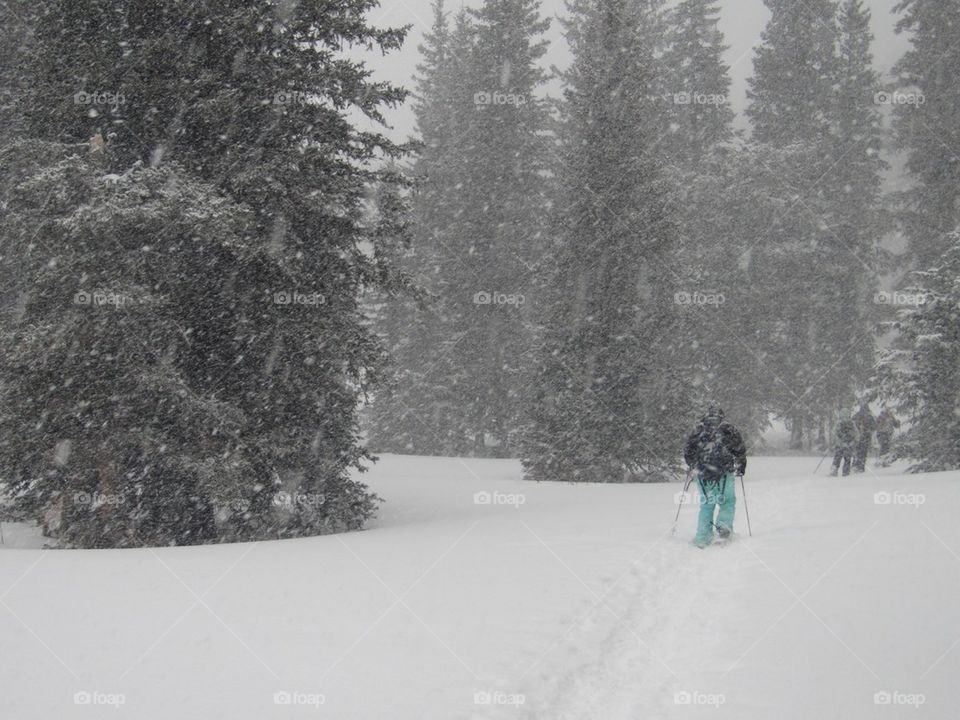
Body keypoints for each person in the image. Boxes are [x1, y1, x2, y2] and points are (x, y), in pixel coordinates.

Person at [683, 406, 747, 548]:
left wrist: (694, 465)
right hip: (725, 473)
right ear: (721, 417)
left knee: (707, 505)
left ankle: (702, 537)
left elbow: (688, 451)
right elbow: (740, 449)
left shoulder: (698, 430)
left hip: (703, 474)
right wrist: (741, 466)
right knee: (727, 502)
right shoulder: (728, 429)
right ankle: (723, 528)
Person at [830, 410, 858, 477]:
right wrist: (854, 442)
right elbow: (856, 433)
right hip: (849, 445)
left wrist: (835, 442)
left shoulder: (838, 423)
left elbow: (834, 433)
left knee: (837, 458)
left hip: (839, 445)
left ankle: (834, 470)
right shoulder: (851, 423)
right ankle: (846, 472)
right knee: (847, 459)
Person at [852, 404, 876, 473]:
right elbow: (874, 426)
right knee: (863, 452)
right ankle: (861, 467)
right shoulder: (869, 416)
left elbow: (852, 421)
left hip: (857, 436)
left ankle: (855, 465)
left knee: (857, 451)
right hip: (866, 436)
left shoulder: (857, 415)